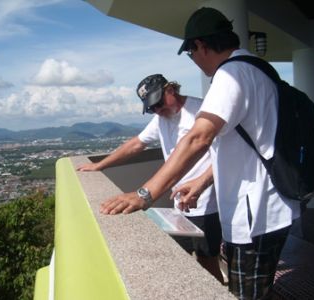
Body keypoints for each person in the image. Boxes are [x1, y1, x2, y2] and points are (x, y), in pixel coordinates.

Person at [100, 7, 301, 300]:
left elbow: (199, 138)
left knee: (245, 293)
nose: (194, 61)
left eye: (191, 54)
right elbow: (234, 146)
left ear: (200, 46)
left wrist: (145, 194)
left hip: (257, 213)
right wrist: (201, 182)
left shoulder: (232, 73)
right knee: (252, 287)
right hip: (266, 207)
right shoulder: (257, 68)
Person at [77, 74, 224, 284]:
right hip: (179, 204)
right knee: (180, 261)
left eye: (159, 103)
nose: (157, 110)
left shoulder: (202, 112)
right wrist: (100, 165)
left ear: (170, 90)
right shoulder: (161, 118)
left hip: (208, 204)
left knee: (207, 262)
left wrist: (201, 182)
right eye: (152, 108)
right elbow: (137, 144)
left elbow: (223, 155)